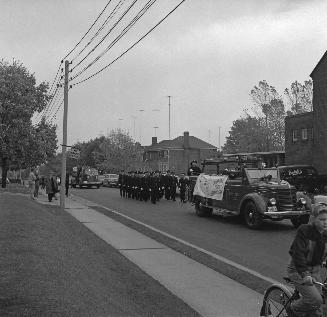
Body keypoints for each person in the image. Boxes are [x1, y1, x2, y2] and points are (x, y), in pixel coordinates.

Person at [286, 205, 327, 317]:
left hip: (315, 272)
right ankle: (292, 308)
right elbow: (298, 254)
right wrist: (305, 274)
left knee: (317, 310)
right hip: (298, 270)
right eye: (322, 219)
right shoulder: (305, 230)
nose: (325, 222)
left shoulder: (325, 234)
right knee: (315, 300)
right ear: (313, 219)